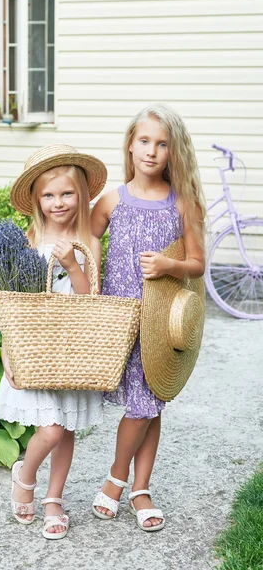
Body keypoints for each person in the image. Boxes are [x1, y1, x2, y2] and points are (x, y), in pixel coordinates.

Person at [90, 103, 205, 531]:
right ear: (130, 145)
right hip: (120, 320)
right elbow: (86, 242)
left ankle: (117, 484)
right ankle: (142, 489)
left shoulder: (182, 204)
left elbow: (197, 263)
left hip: (160, 322)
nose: (152, 151)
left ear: (174, 153)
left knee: (147, 403)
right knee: (148, 407)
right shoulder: (112, 201)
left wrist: (167, 266)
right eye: (144, 141)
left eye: (162, 144)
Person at [0, 144, 107, 540]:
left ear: (81, 195)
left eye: (67, 193)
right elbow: (14, 300)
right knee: (52, 429)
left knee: (67, 429)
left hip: (71, 350)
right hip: (37, 349)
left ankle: (53, 498)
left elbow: (89, 300)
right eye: (48, 195)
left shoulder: (86, 242)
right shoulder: (29, 239)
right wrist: (9, 348)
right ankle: (25, 476)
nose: (58, 202)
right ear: (36, 201)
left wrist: (72, 265)